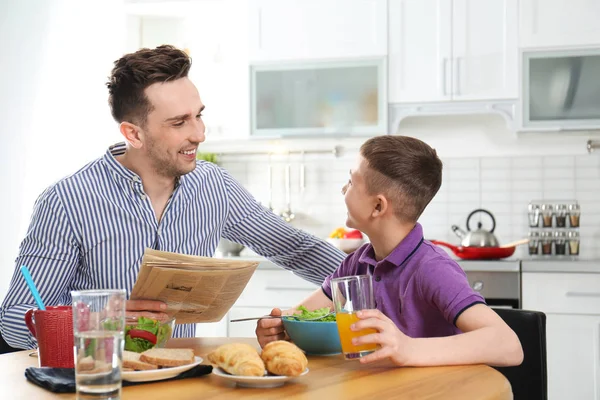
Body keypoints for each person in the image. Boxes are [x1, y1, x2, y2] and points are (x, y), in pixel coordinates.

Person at [0, 45, 346, 350]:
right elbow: (14, 321)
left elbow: (297, 248)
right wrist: (99, 319)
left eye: (199, 115)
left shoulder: (214, 186)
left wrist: (379, 285)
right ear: (133, 133)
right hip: (100, 384)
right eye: (179, 122)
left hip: (183, 378)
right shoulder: (67, 201)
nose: (200, 133)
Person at [256, 135, 524, 367]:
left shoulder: (431, 268)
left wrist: (407, 348)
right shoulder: (356, 263)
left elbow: (509, 345)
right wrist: (281, 329)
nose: (343, 189)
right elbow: (300, 318)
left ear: (377, 207)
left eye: (350, 182)